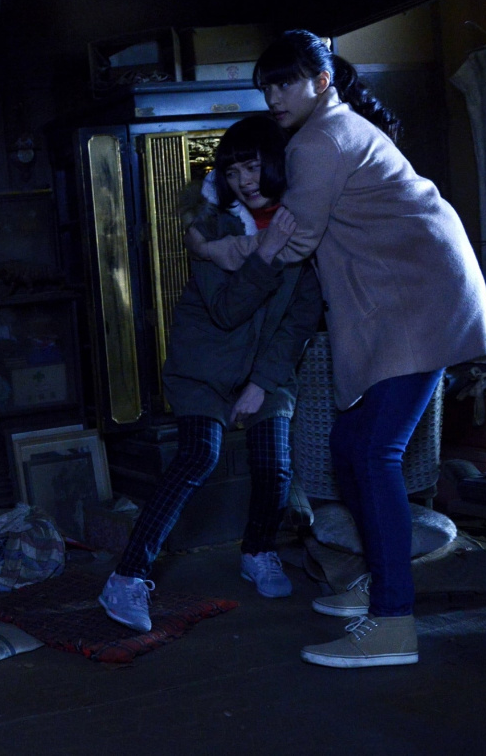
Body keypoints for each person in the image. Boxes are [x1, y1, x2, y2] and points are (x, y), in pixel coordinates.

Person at [186, 30, 486, 668]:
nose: (274, 96)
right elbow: (294, 233)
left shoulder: (319, 141)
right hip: (416, 293)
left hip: (423, 298)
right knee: (352, 445)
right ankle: (383, 584)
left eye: (285, 82)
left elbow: (294, 241)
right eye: (266, 87)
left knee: (373, 451)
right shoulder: (327, 129)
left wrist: (218, 250)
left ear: (321, 81)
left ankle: (393, 622)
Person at [99, 116, 323, 633]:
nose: (245, 181)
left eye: (253, 167)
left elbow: (299, 321)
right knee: (199, 455)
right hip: (202, 366)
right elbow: (224, 311)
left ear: (277, 164)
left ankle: (258, 551)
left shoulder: (307, 226)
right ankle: (126, 578)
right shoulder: (212, 225)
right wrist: (265, 253)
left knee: (274, 465)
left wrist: (261, 384)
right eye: (233, 171)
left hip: (265, 369)